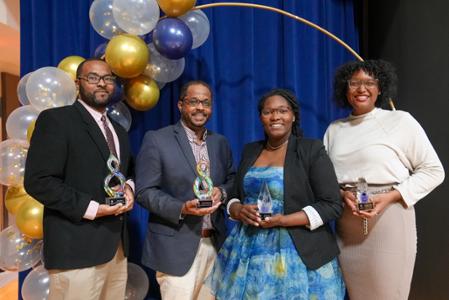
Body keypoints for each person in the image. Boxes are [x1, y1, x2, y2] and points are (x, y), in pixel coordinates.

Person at [324, 60, 445, 299]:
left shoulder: (400, 121)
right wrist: (341, 195)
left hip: (389, 218)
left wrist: (389, 197)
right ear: (344, 89)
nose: (361, 89)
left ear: (381, 89)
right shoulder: (335, 129)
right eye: (355, 83)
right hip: (347, 225)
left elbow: (434, 170)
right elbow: (325, 179)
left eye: (369, 83)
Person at [207, 89, 345, 299]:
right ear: (261, 117)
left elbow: (332, 204)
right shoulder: (250, 150)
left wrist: (284, 220)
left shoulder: (311, 149)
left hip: (300, 252)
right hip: (249, 249)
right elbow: (235, 196)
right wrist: (237, 209)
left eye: (282, 110)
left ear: (293, 116)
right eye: (268, 111)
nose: (275, 117)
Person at [24, 58, 135, 300]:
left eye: (108, 79)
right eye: (93, 78)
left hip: (116, 249)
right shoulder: (57, 120)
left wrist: (129, 188)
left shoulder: (119, 131)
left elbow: (128, 171)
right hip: (76, 249)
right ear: (78, 84)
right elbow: (38, 180)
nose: (102, 84)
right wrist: (93, 208)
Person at [135, 80, 235, 300]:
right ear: (181, 105)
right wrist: (182, 208)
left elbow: (232, 180)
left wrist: (222, 191)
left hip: (215, 244)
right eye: (194, 101)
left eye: (206, 103)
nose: (200, 107)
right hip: (176, 248)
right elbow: (144, 191)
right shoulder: (158, 139)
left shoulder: (220, 143)